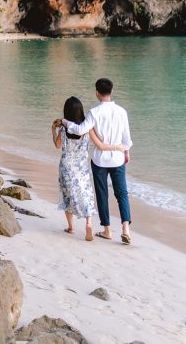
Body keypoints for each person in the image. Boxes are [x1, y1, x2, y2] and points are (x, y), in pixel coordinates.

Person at [56, 78, 133, 244]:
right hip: (118, 158)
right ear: (111, 92)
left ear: (97, 93)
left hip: (100, 161)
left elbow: (80, 129)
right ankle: (126, 228)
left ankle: (107, 230)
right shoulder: (122, 112)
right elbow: (126, 138)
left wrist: (64, 122)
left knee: (102, 194)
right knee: (122, 194)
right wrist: (126, 152)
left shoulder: (94, 112)